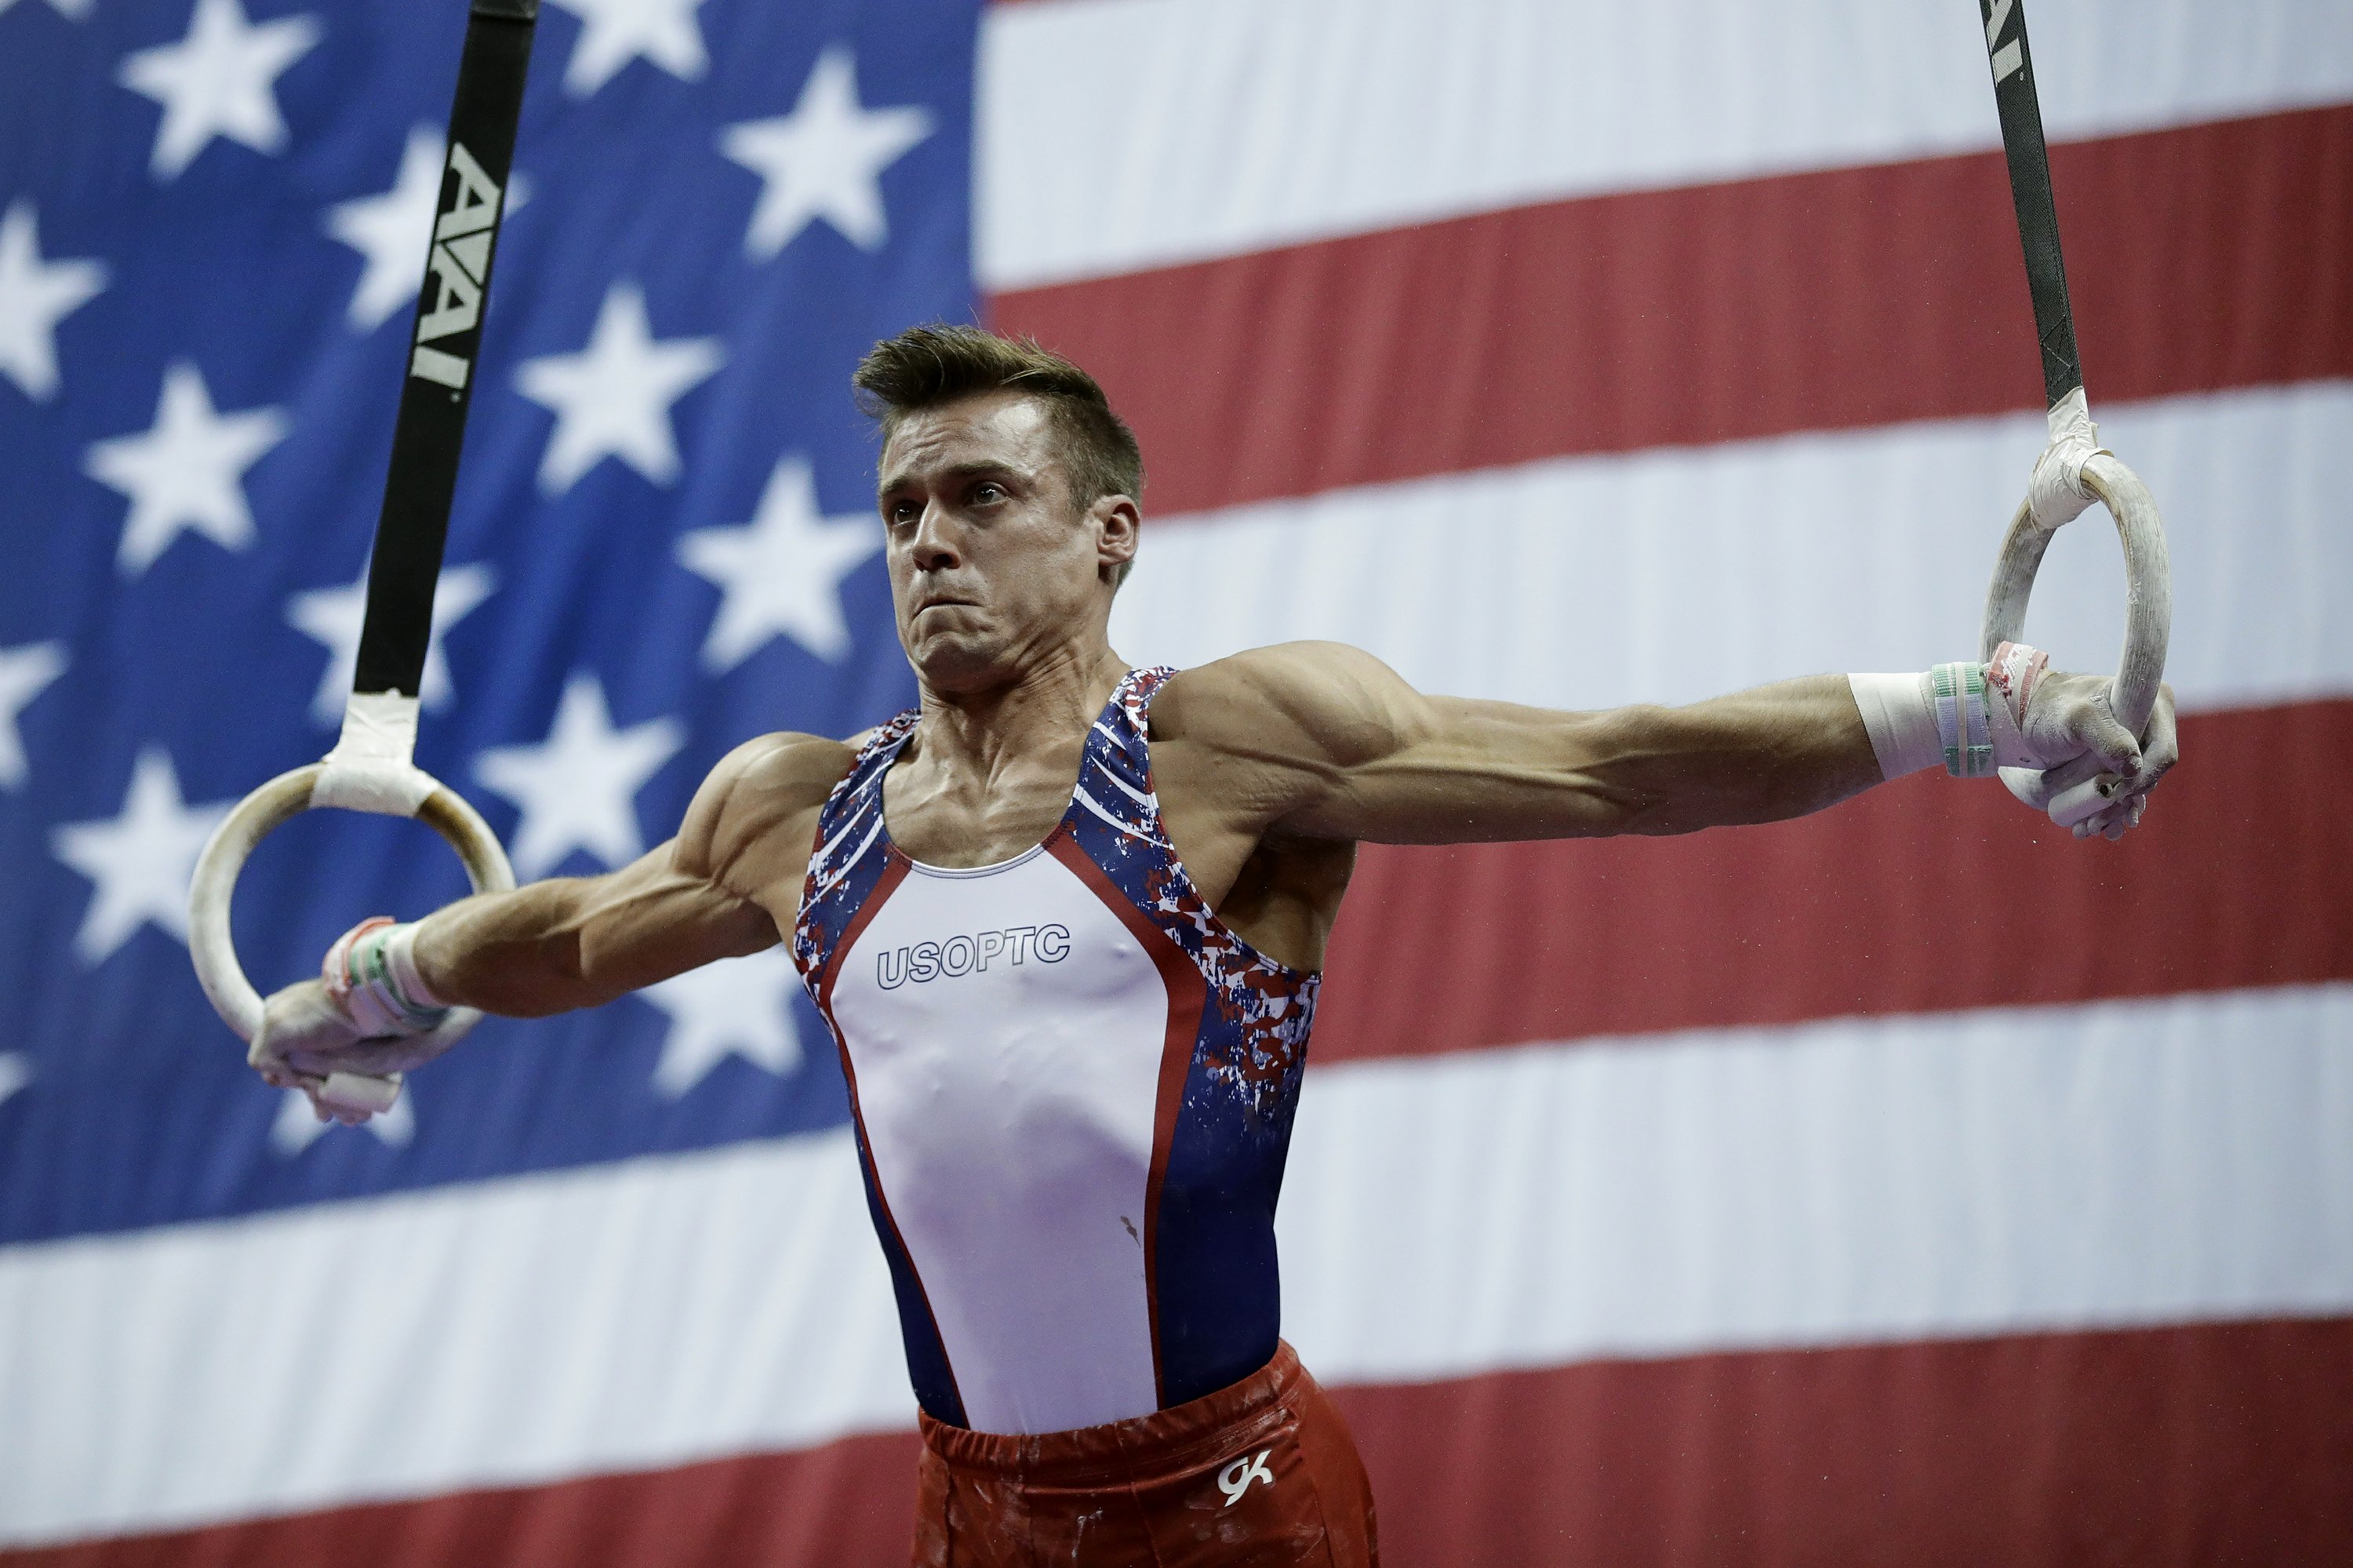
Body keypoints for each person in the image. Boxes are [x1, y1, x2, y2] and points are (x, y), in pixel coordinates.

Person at [252, 326, 2178, 1567]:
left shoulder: (1227, 752)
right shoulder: (797, 811)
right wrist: (380, 983)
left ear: (1111, 536)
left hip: (1235, 1505)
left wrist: (1959, 706)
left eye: (982, 496)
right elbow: (581, 933)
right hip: (971, 1512)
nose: (929, 541)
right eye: (901, 509)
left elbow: (1615, 770)